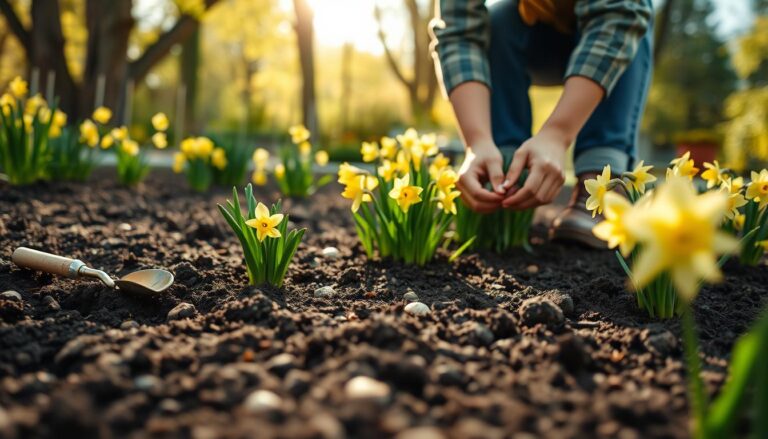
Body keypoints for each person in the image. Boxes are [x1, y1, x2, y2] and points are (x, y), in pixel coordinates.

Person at [430, 0, 653, 247]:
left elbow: (620, 14)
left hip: (606, 32)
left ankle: (600, 178)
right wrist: (477, 141)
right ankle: (506, 174)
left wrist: (556, 135)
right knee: (500, 20)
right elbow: (459, 30)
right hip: (534, 37)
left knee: (633, 14)